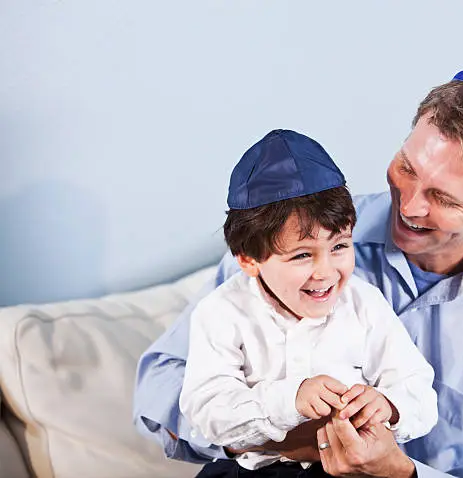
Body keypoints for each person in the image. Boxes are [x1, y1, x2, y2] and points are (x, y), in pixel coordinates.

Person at [133, 61, 463, 477]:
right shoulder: (291, 232)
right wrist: (268, 430)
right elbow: (160, 391)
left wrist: (401, 472)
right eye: (407, 168)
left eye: (444, 198)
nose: (409, 206)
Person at [179, 129, 438, 476]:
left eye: (339, 247)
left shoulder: (364, 304)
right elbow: (208, 410)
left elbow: (417, 386)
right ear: (248, 260)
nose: (326, 272)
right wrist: (291, 400)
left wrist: (389, 406)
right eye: (302, 255)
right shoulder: (222, 312)